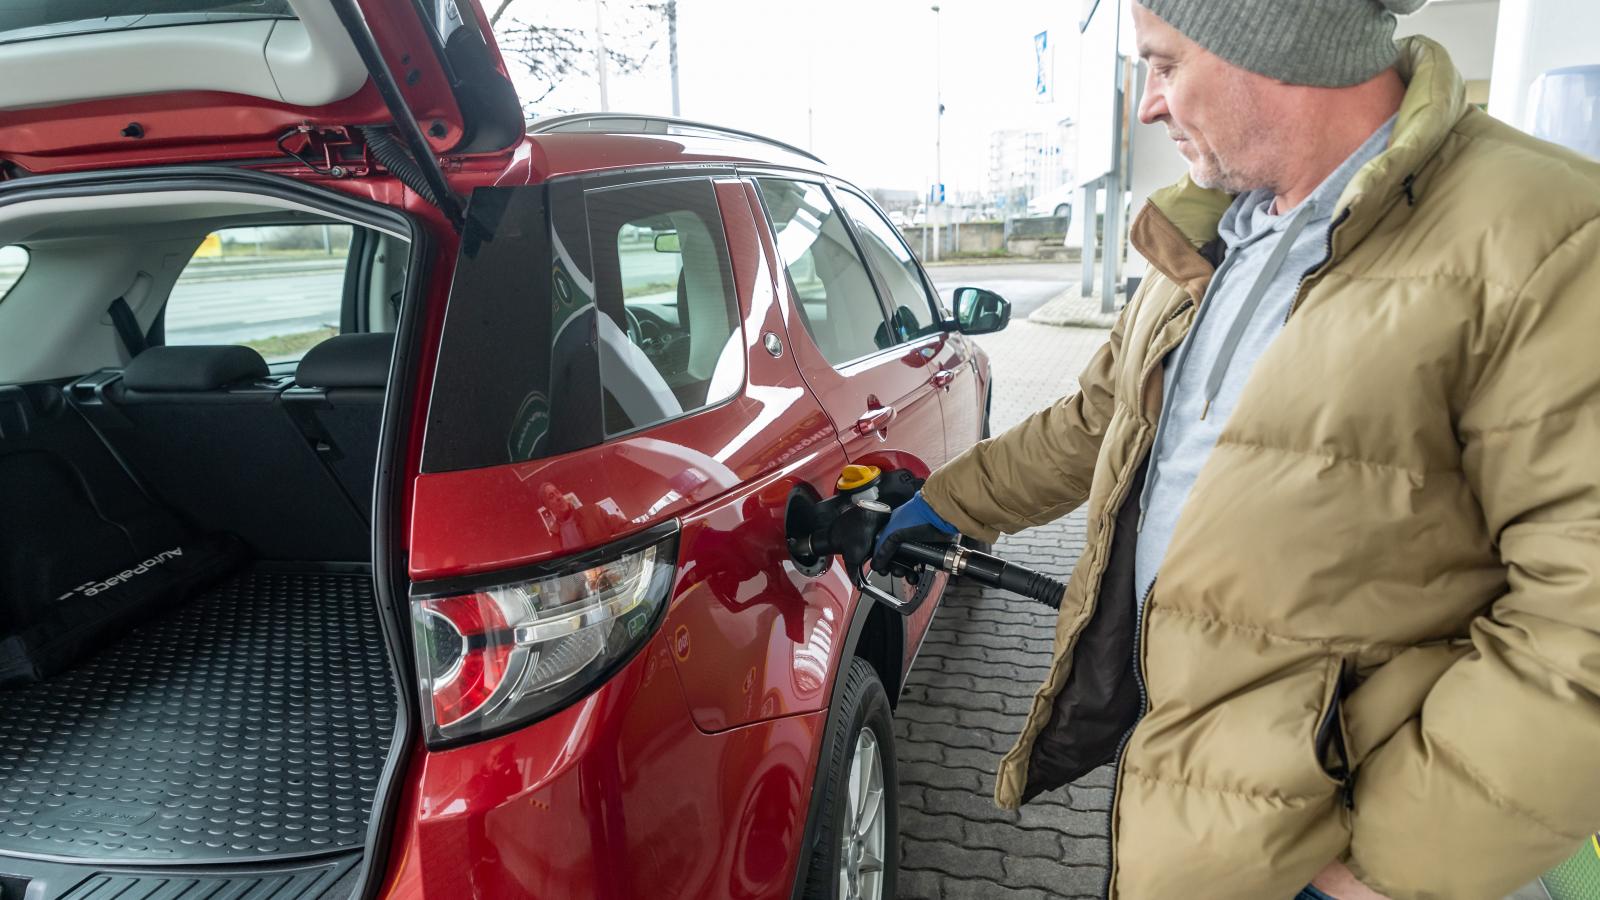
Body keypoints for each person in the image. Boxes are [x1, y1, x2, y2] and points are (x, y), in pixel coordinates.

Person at [872, 1, 1600, 897]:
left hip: (1340, 850)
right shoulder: (1214, 229)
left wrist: (1383, 866)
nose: (1148, 105)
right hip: (1195, 820)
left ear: (1272, 40)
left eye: (1165, 64)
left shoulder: (1548, 237)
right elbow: (1100, 423)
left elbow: (1580, 627)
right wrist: (947, 503)